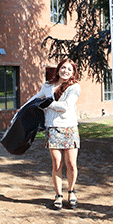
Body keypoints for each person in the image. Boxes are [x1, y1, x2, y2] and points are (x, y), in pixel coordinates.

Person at [23, 59, 81, 210]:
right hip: (53, 128)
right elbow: (35, 99)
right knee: (56, 163)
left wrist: (47, 104)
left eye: (69, 69)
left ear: (73, 72)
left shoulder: (75, 87)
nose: (65, 71)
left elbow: (66, 106)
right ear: (58, 69)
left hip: (70, 129)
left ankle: (71, 191)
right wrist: (20, 111)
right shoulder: (48, 86)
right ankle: (58, 195)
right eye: (63, 67)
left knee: (71, 164)